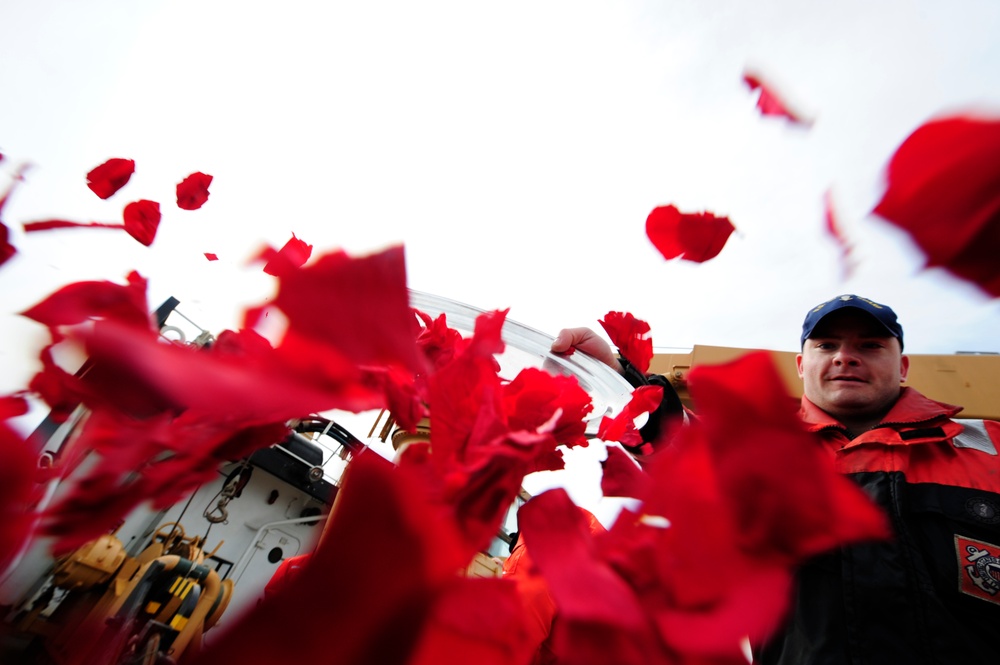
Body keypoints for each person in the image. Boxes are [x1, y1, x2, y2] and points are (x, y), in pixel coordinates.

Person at [551, 294, 1000, 664]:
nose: (846, 356)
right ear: (802, 366)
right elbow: (671, 438)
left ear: (902, 366)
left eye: (870, 345)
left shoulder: (990, 447)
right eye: (826, 345)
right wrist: (616, 378)